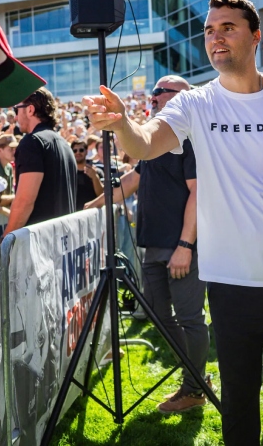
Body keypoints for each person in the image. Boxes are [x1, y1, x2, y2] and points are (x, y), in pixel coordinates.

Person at [83, 0, 263, 446]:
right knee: (239, 404)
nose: (215, 38)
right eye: (209, 30)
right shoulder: (196, 103)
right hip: (232, 279)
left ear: (256, 36)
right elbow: (145, 143)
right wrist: (123, 125)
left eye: (227, 27)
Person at [86, 75, 213, 414]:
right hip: (153, 245)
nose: (153, 97)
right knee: (157, 314)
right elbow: (132, 180)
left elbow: (198, 193)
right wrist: (93, 206)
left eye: (160, 91)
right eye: (153, 91)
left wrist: (185, 244)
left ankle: (194, 388)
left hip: (181, 246)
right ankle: (197, 377)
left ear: (183, 97)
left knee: (189, 318)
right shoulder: (157, 138)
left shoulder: (190, 138)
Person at [3, 88, 76, 236]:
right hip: (63, 239)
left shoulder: (32, 142)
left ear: (30, 110)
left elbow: (24, 201)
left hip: (41, 240)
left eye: (17, 110)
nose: (15, 117)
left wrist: (6, 239)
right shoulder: (64, 144)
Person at [71, 140, 103, 211]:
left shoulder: (97, 171)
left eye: (81, 150)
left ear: (86, 152)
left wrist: (95, 177)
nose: (78, 152)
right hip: (73, 213)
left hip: (92, 212)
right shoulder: (68, 173)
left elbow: (101, 195)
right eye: (75, 151)